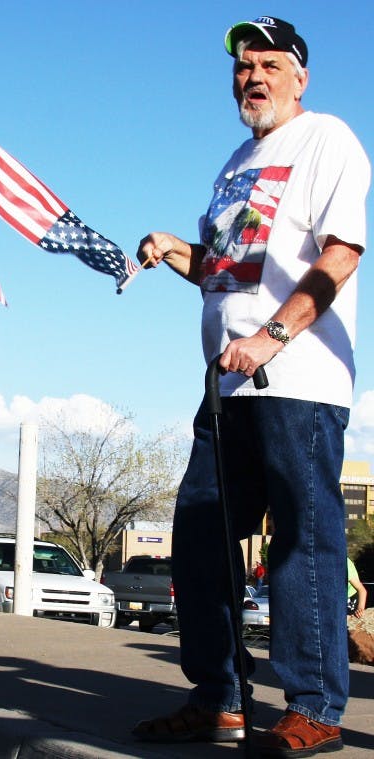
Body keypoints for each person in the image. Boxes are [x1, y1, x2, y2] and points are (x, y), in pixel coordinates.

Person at [132, 17, 369, 756]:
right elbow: (227, 270)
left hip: (298, 380)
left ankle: (316, 705)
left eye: (268, 63)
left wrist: (276, 333)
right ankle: (219, 697)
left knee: (303, 541)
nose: (253, 76)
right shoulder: (236, 161)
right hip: (227, 389)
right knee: (199, 536)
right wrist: (178, 250)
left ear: (300, 76)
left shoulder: (326, 138)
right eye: (242, 65)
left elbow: (341, 253)